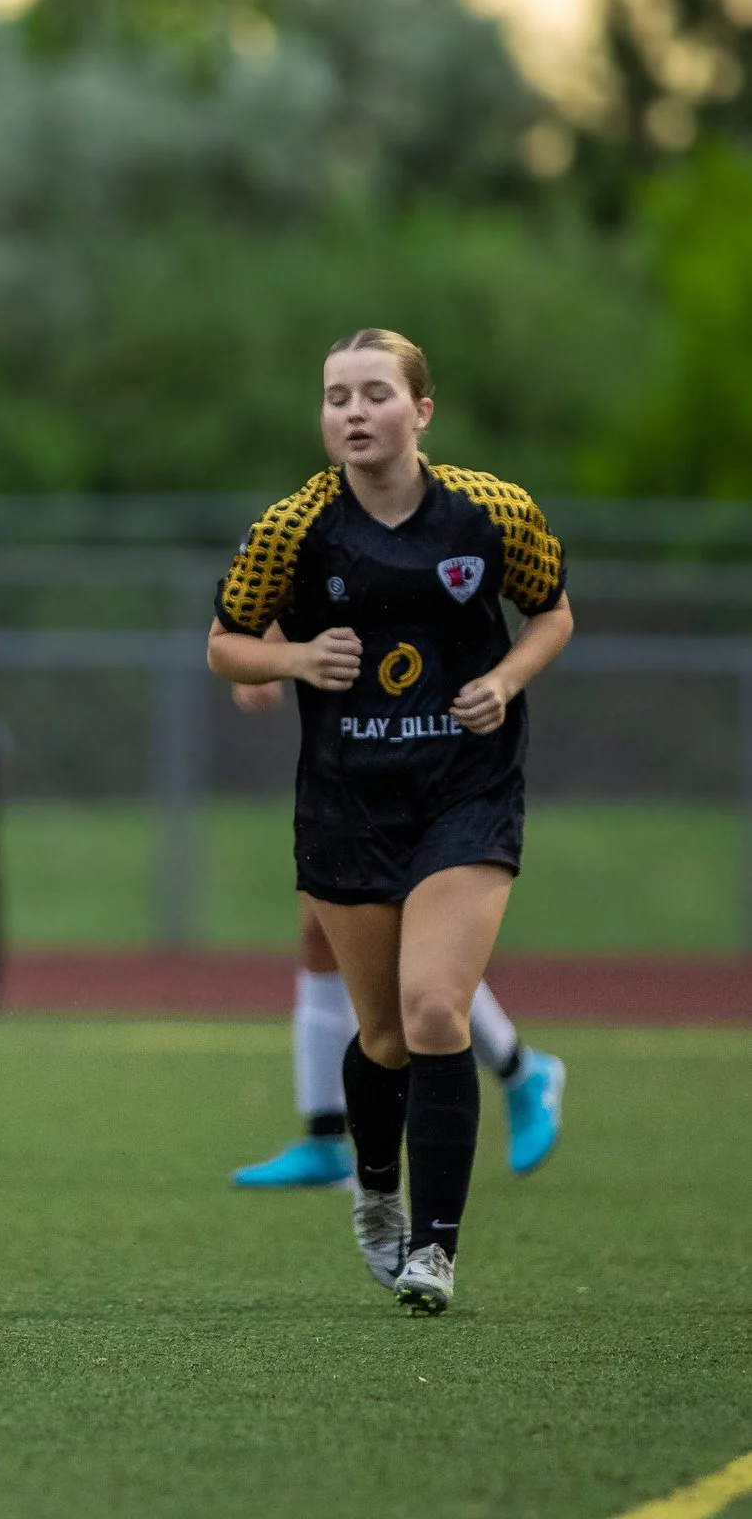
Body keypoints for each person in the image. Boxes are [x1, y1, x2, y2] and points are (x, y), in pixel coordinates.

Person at [208, 328, 573, 1315]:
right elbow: (225, 645)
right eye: (336, 396)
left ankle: (434, 1246)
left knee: (431, 1009)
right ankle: (373, 1185)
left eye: (375, 393)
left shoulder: (492, 510)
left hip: (465, 789)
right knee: (381, 1034)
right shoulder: (291, 528)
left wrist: (501, 678)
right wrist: (290, 662)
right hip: (346, 802)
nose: (353, 411)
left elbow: (552, 612)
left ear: (420, 410)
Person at [228, 638, 567, 1189]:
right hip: (350, 746)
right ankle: (324, 1135)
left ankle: (520, 1071)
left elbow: (546, 605)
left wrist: (502, 681)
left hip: (429, 743)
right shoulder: (293, 548)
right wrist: (263, 656)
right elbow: (269, 580)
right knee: (323, 928)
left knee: (403, 939)